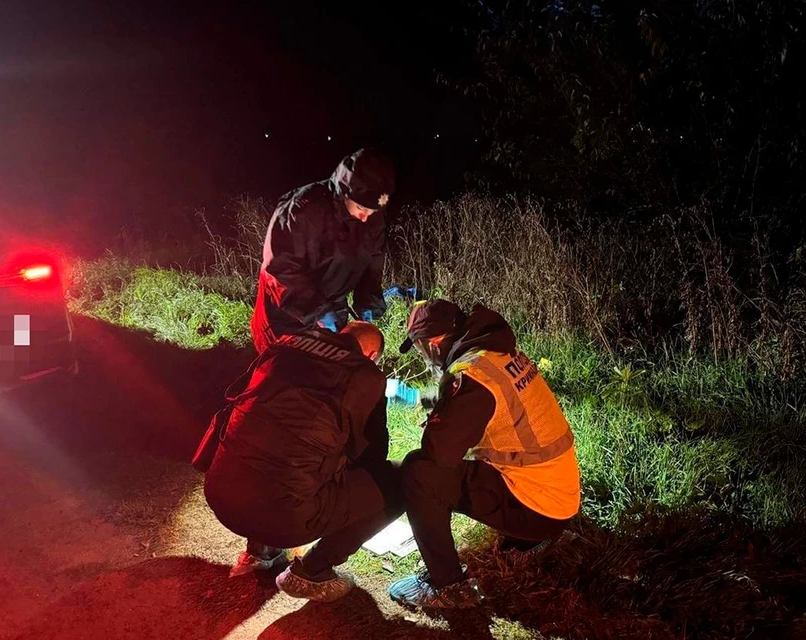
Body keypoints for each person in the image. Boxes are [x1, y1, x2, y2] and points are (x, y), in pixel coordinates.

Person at [386, 300, 581, 609]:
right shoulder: (495, 353)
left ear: (434, 343)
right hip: (560, 496)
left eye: (422, 349)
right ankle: (526, 540)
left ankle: (447, 584)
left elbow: (439, 453)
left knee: (418, 472)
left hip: (537, 509)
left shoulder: (471, 377)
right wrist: (427, 400)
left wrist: (438, 416)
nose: (426, 357)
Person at [203, 321, 403, 602]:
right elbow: (373, 457)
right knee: (399, 480)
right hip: (284, 519)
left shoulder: (286, 346)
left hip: (220, 494)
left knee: (276, 450)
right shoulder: (365, 375)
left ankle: (258, 553)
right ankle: (314, 570)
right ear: (370, 355)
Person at [250, 148, 396, 353]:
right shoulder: (302, 210)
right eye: (361, 209)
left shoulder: (372, 218)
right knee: (285, 376)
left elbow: (372, 262)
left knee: (330, 371)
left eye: (373, 212)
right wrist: (318, 312)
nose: (366, 218)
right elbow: (280, 270)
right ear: (346, 192)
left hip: (333, 308)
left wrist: (368, 303)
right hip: (287, 315)